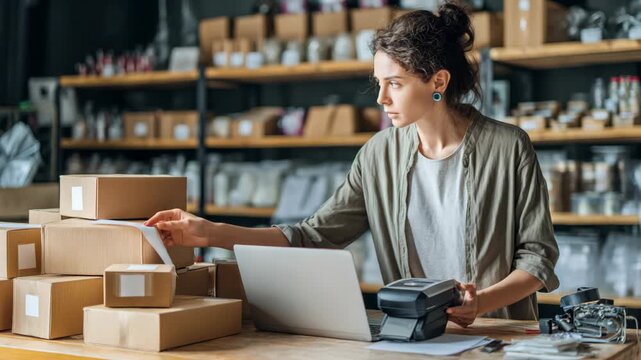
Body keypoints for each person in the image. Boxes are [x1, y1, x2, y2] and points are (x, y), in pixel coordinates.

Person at [145, 1, 559, 327]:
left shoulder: (508, 147)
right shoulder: (378, 155)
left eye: (394, 84)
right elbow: (312, 236)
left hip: (499, 338)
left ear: (438, 82)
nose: (381, 99)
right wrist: (208, 231)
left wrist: (480, 303)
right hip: (415, 337)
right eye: (378, 83)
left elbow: (537, 260)